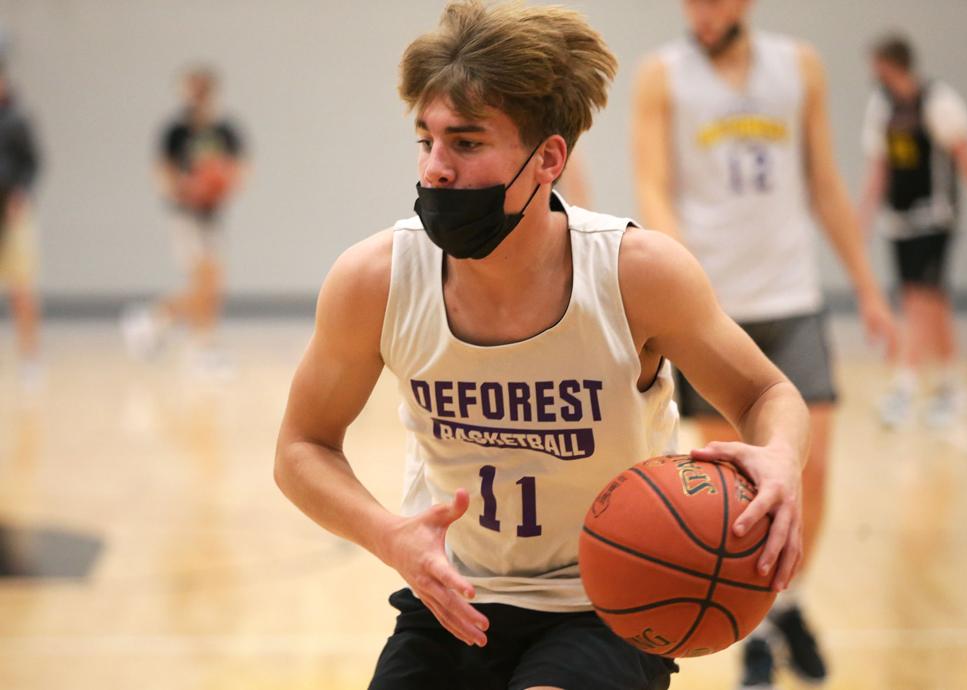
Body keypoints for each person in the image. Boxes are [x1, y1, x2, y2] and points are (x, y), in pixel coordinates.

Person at [275, 2, 809, 689]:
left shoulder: (635, 274)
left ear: (547, 159)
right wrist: (387, 535)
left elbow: (767, 392)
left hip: (608, 603)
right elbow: (300, 448)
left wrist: (781, 459)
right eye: (425, 139)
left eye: (466, 144)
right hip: (449, 598)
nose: (435, 168)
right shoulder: (374, 280)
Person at [632, 1, 897, 687]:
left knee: (811, 469)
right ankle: (752, 625)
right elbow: (653, 189)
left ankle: (789, 607)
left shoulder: (797, 66)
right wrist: (684, 288)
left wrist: (868, 288)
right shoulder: (661, 75)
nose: (702, 9)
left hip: (792, 297)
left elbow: (826, 183)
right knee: (735, 488)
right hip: (713, 310)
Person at [859, 33, 967, 429]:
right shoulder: (882, 106)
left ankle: (905, 389)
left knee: (917, 298)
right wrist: (863, 221)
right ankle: (951, 386)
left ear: (892, 65)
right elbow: (879, 169)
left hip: (935, 217)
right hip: (899, 218)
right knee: (933, 303)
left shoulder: (938, 102)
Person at [121, 65, 246, 376]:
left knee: (212, 287)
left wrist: (218, 184)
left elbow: (239, 169)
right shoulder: (176, 131)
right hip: (185, 217)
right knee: (205, 280)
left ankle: (152, 319)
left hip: (212, 216)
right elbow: (161, 172)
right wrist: (184, 188)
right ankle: (203, 349)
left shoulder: (225, 130)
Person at [0, 61, 43, 391]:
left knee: (22, 288)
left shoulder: (18, 119)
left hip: (12, 211)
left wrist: (22, 194)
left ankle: (30, 358)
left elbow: (33, 164)